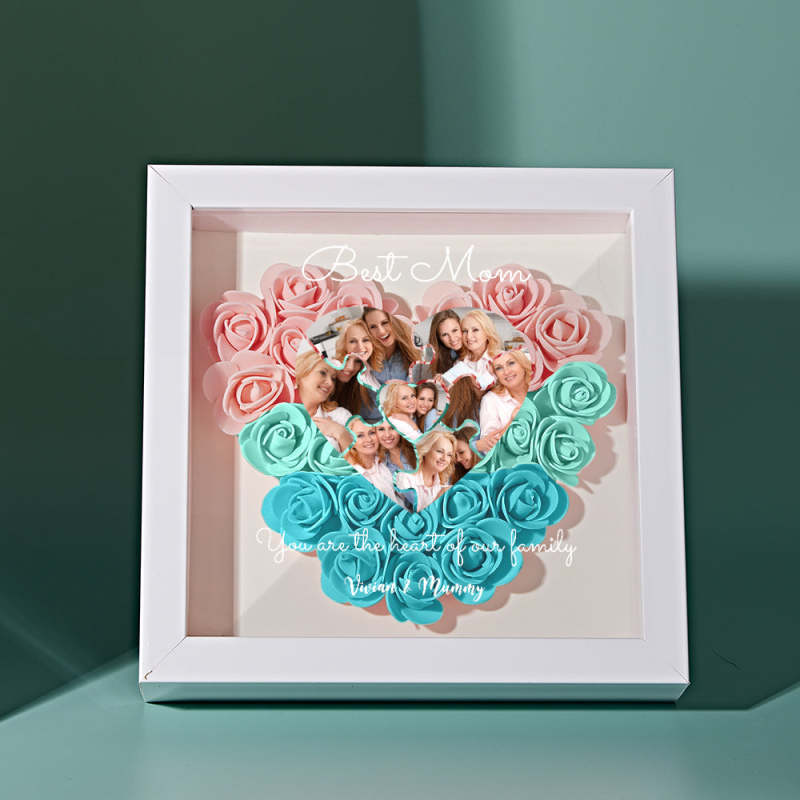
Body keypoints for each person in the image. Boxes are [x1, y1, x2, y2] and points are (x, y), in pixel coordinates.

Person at [294, 350, 353, 452]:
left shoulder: (340, 416)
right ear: (302, 373)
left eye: (333, 378)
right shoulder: (278, 411)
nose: (330, 383)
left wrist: (340, 433)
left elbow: (358, 459)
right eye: (322, 373)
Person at [477, 349, 532, 454]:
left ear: (523, 365)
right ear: (495, 375)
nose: (506, 372)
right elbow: (490, 449)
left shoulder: (541, 388)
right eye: (499, 368)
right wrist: (512, 421)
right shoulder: (490, 400)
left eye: (511, 363)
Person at [344, 419, 403, 504]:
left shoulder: (383, 462)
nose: (369, 439)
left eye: (371, 433)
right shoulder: (352, 473)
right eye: (360, 435)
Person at [395, 429, 456, 512]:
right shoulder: (405, 478)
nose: (444, 458)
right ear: (426, 450)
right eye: (440, 451)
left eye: (449, 455)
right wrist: (439, 497)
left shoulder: (443, 484)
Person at [443, 309, 502, 390]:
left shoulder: (501, 359)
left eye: (475, 330)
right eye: (465, 331)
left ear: (487, 333)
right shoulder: (459, 363)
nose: (469, 336)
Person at [362, 308, 421, 383]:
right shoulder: (366, 357)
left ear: (395, 322)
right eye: (373, 327)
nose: (381, 332)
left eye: (385, 323)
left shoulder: (414, 352)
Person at [376, 421, 417, 511]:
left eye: (392, 428)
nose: (387, 435)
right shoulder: (384, 465)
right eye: (381, 429)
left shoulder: (416, 448)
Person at [428, 309, 462, 377]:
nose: (452, 338)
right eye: (445, 334)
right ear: (439, 338)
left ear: (461, 326)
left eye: (454, 330)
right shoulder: (440, 360)